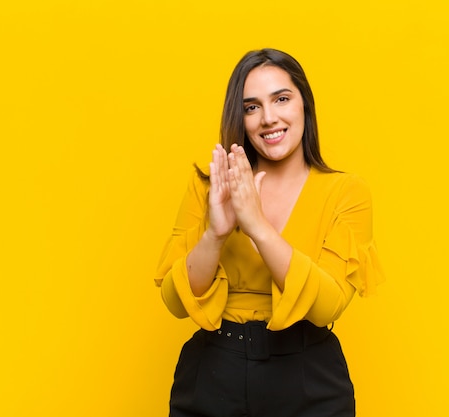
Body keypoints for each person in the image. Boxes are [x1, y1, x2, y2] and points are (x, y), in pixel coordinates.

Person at [155, 48, 384, 417]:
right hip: (214, 375)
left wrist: (257, 227)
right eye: (251, 107)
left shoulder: (346, 192)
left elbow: (328, 306)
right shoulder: (209, 187)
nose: (268, 118)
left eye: (281, 98)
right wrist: (216, 233)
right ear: (240, 118)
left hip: (308, 377)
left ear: (304, 104)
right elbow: (175, 303)